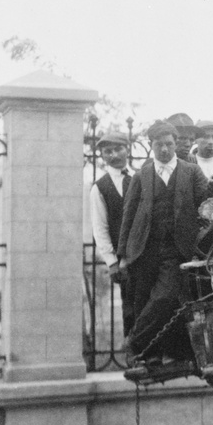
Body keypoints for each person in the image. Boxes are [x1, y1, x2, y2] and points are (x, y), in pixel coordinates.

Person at [116, 120, 212, 368]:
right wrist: (122, 254)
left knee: (164, 297)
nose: (165, 150)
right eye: (160, 145)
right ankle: (150, 355)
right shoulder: (142, 174)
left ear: (175, 143)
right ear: (151, 146)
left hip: (176, 247)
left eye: (169, 144)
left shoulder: (190, 171)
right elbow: (129, 213)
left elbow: (207, 197)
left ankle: (134, 342)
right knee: (144, 299)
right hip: (144, 248)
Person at [88, 131, 135, 337]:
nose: (114, 155)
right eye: (108, 151)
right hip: (123, 257)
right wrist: (112, 262)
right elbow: (100, 228)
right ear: (102, 155)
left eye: (118, 149)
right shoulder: (100, 188)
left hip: (150, 253)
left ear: (128, 149)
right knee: (130, 306)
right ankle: (136, 355)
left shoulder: (142, 177)